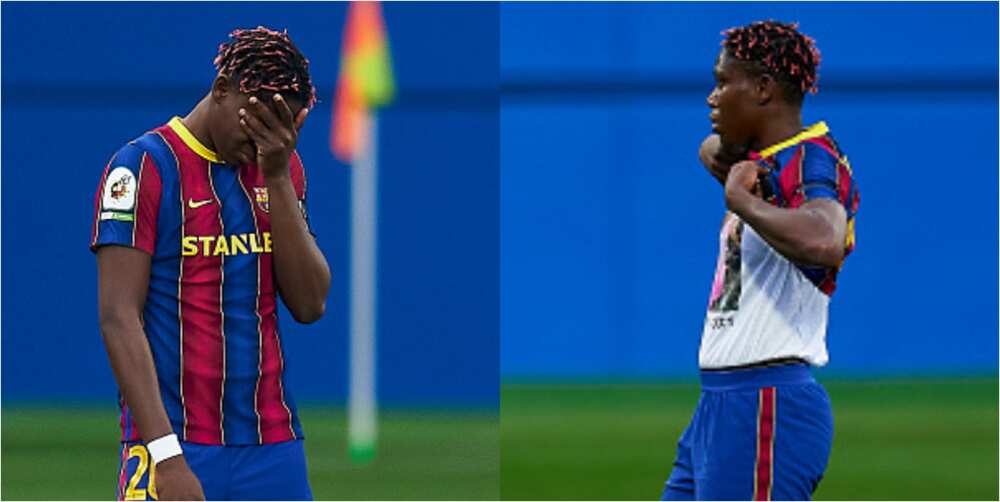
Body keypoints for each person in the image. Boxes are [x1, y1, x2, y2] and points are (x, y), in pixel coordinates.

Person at [91, 26, 331, 501]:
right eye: (258, 121)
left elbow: (309, 303)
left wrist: (278, 175)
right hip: (174, 444)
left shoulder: (280, 166)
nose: (267, 138)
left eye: (284, 126)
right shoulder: (142, 168)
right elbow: (119, 318)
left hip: (272, 442)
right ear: (223, 90)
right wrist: (167, 456)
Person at [661, 20, 860, 501]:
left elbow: (825, 240)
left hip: (767, 401)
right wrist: (731, 156)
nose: (712, 97)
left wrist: (743, 202)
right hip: (721, 406)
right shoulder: (766, 161)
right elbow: (712, 150)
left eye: (723, 81)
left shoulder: (814, 159)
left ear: (764, 89)